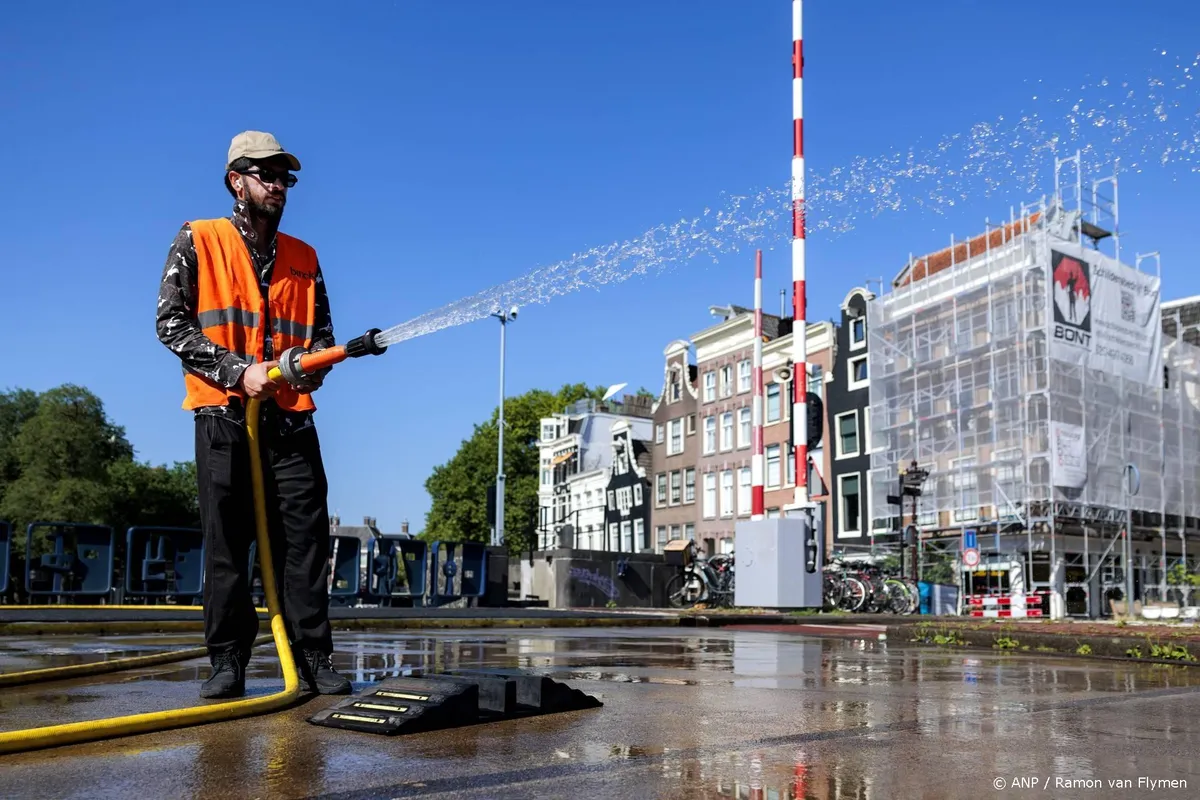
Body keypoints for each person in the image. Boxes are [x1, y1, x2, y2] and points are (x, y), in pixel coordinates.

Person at [156, 131, 352, 698]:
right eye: (264, 174)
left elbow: (323, 338)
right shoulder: (199, 238)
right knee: (227, 542)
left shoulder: (305, 257)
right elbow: (171, 324)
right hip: (223, 413)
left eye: (284, 177)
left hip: (290, 419)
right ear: (235, 180)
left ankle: (314, 656)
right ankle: (227, 662)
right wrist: (237, 370)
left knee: (305, 540)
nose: (277, 184)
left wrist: (311, 367)